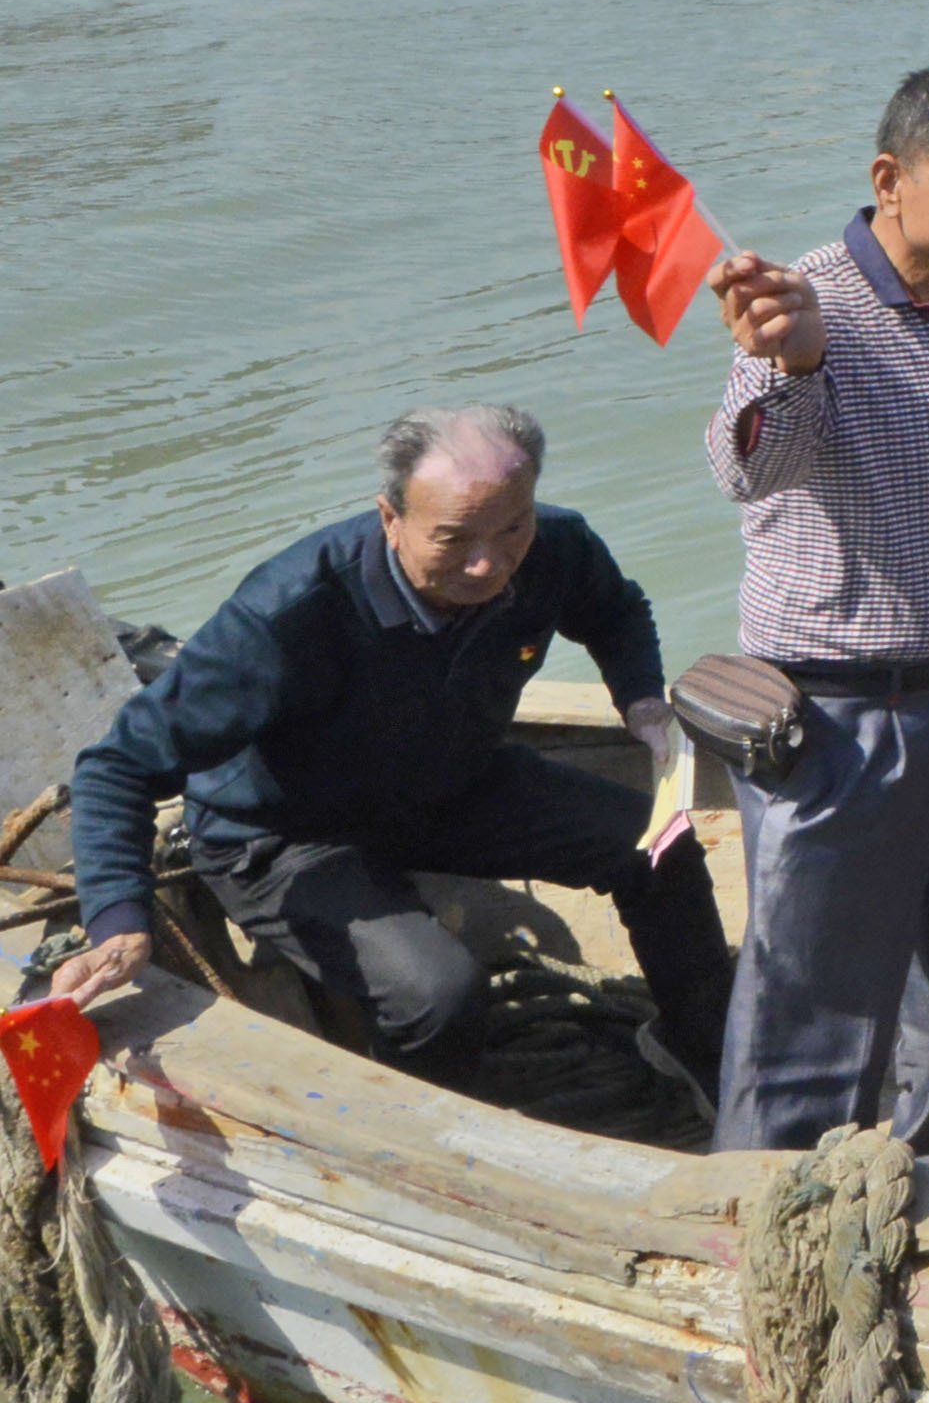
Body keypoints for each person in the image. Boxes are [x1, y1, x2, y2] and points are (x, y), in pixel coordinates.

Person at [46, 407, 729, 1116]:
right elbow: (117, 766)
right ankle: (433, 1122)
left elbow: (616, 611)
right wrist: (118, 918)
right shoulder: (286, 615)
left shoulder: (555, 544)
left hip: (449, 782)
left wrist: (642, 699)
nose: (488, 564)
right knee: (438, 992)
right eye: (453, 538)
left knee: (661, 846)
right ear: (391, 518)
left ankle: (704, 1050)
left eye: (511, 529)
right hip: (284, 833)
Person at [702, 59, 929, 1155]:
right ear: (890, 177)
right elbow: (750, 470)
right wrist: (789, 363)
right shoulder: (809, 305)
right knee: (811, 1011)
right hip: (838, 723)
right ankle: (767, 1224)